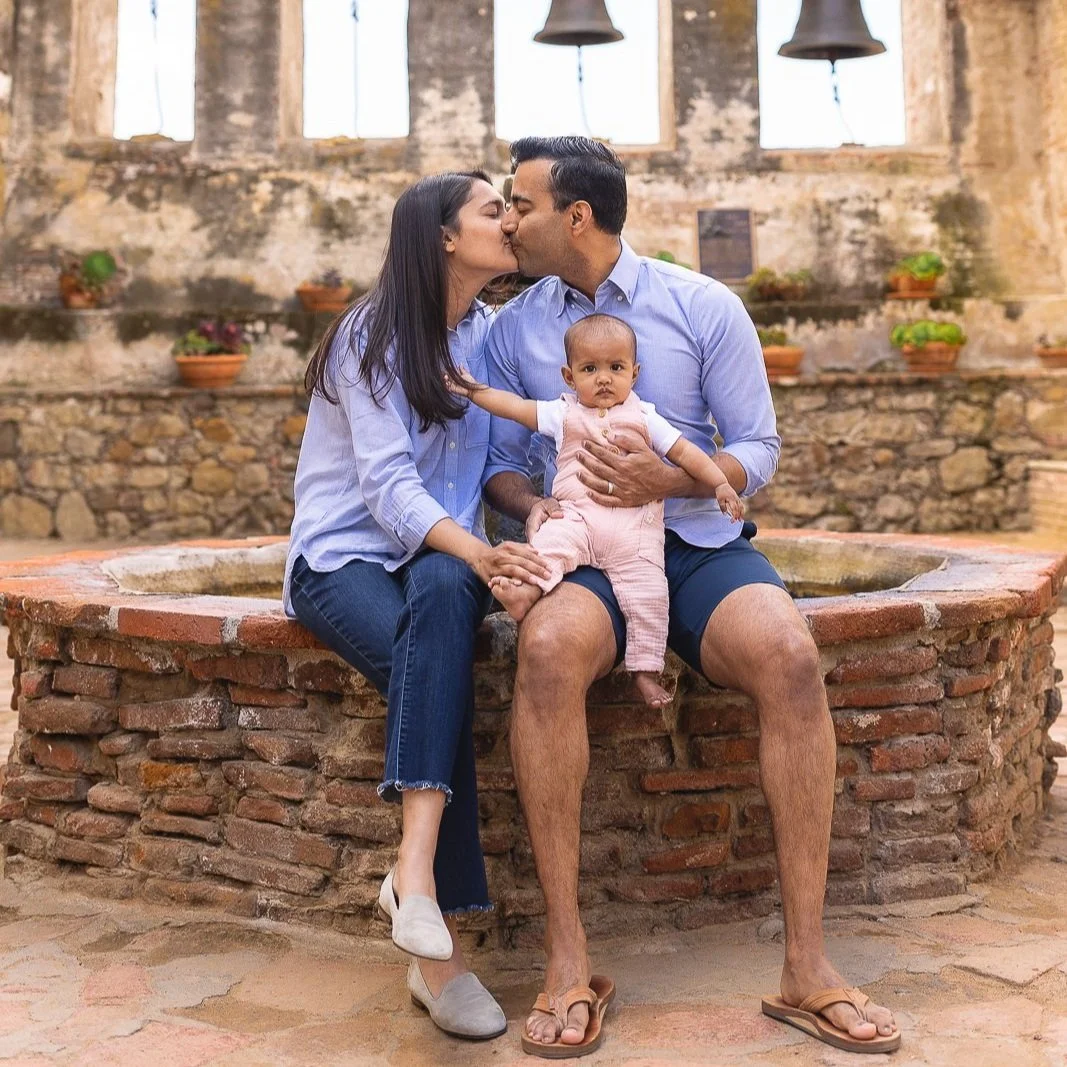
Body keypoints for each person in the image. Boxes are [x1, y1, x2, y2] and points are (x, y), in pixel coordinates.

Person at [482, 136, 901, 1057]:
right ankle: (566, 959)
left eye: (521, 204)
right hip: (585, 558)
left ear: (576, 216)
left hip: (698, 551)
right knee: (547, 652)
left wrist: (663, 483)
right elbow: (501, 468)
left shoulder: (703, 304)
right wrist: (536, 500)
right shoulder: (509, 330)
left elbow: (756, 449)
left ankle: (805, 968)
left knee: (791, 658)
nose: (508, 220)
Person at [283, 170, 549, 1041]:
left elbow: (500, 464)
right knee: (431, 665)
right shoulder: (369, 335)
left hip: (434, 566)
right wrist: (477, 547)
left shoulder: (484, 337)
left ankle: (415, 882)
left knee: (441, 601)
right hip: (342, 559)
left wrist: (531, 513)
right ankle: (438, 956)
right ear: (440, 234)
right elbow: (388, 486)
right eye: (490, 210)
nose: (507, 222)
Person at [448, 312, 742, 708]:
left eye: (615, 368)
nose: (604, 378)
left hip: (635, 533)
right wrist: (473, 391)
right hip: (578, 518)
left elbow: (688, 453)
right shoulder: (564, 413)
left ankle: (645, 671)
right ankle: (525, 592)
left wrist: (720, 483)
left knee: (650, 597)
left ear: (634, 373)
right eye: (590, 369)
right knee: (550, 545)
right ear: (569, 377)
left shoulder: (645, 417)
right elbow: (514, 408)